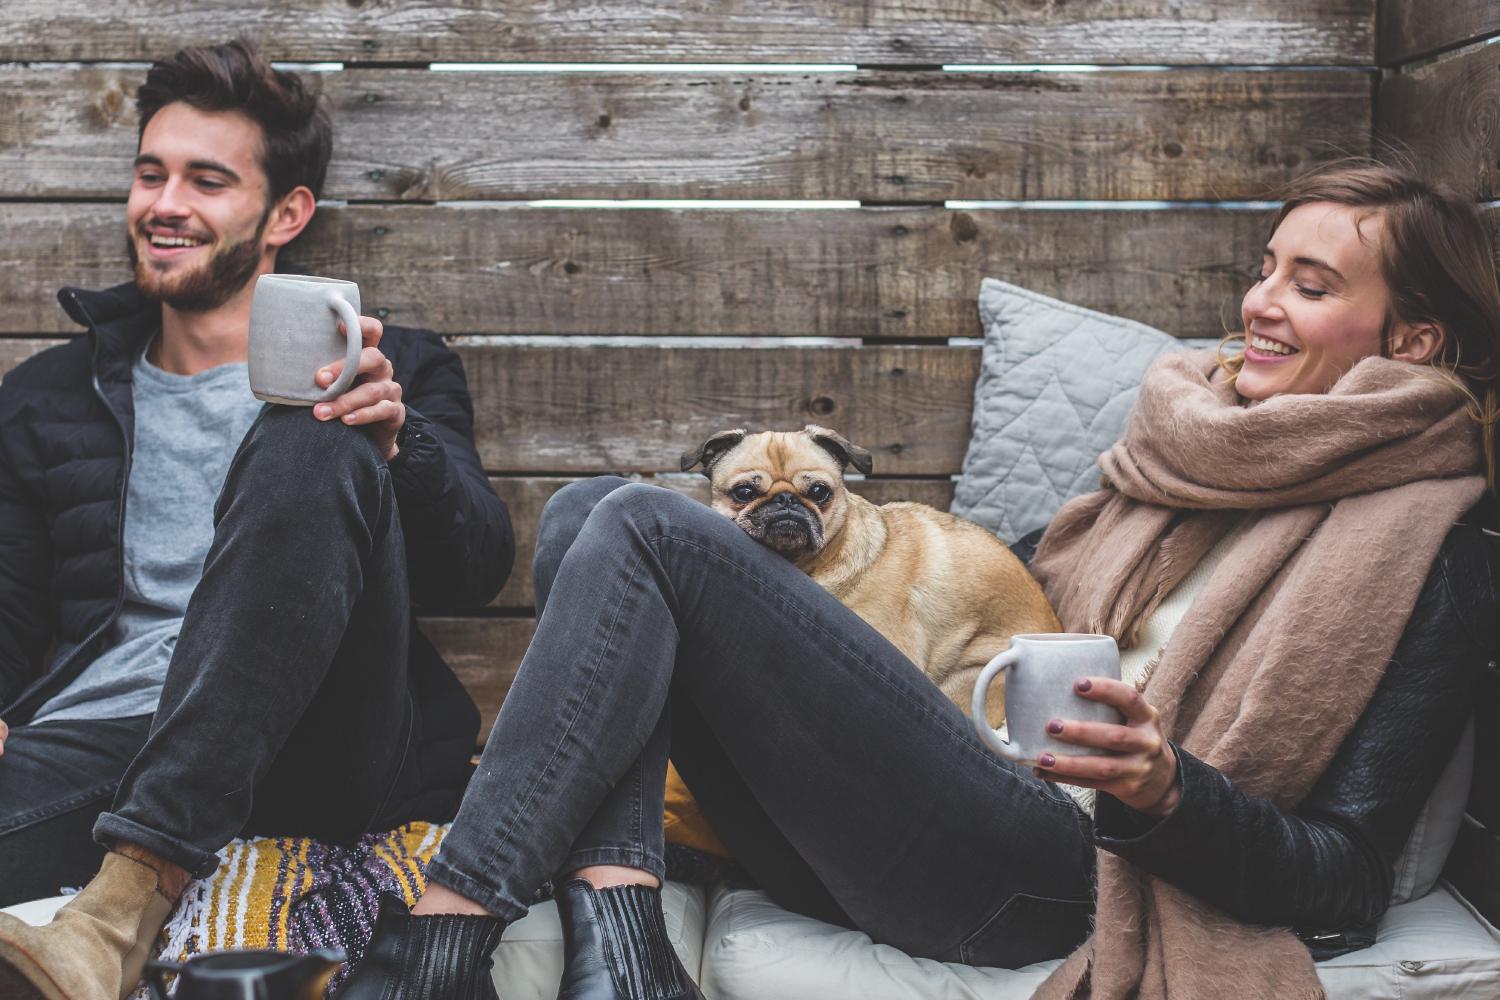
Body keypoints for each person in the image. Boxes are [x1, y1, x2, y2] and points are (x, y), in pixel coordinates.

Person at [334, 160, 1498, 1000]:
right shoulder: (1182, 457)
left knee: (640, 522)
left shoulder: (1420, 547)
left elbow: (1345, 882)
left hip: (1061, 874)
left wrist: (1166, 789)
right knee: (596, 511)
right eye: (1264, 268)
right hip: (937, 812)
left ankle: (440, 937)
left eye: (1310, 283)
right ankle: (627, 944)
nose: (1259, 302)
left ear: (1411, 341)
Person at [0, 40, 513, 999]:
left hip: (319, 736)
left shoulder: (390, 366)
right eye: (151, 174)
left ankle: (122, 907)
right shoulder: (45, 399)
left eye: (206, 180)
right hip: (108, 741)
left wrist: (399, 444)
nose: (165, 205)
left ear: (287, 213)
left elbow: (477, 564)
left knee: (318, 429)